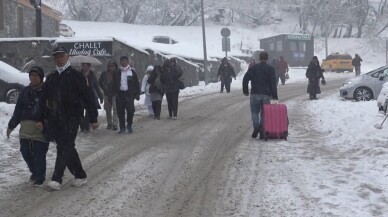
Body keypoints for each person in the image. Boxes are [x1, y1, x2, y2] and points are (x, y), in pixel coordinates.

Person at [41, 46, 99, 190]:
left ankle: (57, 179)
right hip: (56, 118)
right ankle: (80, 175)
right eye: (56, 57)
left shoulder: (76, 76)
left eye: (61, 56)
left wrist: (93, 118)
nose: (59, 59)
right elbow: (44, 99)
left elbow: (88, 98)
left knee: (64, 146)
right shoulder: (51, 77)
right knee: (67, 147)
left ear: (68, 57)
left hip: (72, 117)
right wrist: (41, 117)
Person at [7, 66, 49, 187]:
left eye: (36, 75)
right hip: (25, 127)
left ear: (41, 77)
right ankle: (35, 172)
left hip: (40, 127)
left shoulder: (47, 91)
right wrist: (11, 125)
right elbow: (18, 109)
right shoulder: (25, 91)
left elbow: (51, 109)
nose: (34, 78)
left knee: (39, 152)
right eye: (32, 75)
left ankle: (40, 177)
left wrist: (44, 121)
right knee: (25, 151)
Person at [243, 51, 278, 139]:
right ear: (267, 58)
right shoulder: (270, 69)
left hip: (254, 93)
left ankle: (256, 127)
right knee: (264, 113)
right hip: (266, 94)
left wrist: (246, 90)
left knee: (254, 112)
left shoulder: (253, 68)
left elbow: (245, 79)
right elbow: (273, 83)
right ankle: (262, 131)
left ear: (259, 58)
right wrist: (274, 95)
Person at [113, 56, 141, 134]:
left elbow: (136, 83)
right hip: (120, 94)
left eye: (125, 61)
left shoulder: (131, 71)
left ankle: (129, 125)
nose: (123, 62)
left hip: (129, 94)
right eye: (122, 61)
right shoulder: (118, 72)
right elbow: (114, 82)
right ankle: (122, 127)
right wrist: (115, 91)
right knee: (120, 111)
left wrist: (137, 93)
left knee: (130, 110)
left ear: (128, 62)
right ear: (120, 62)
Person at [80, 62, 103, 133]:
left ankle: (86, 126)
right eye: (83, 66)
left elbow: (96, 86)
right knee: (80, 112)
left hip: (90, 96)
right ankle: (82, 126)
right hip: (80, 96)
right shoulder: (78, 75)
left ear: (89, 67)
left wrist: (100, 95)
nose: (85, 67)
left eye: (87, 66)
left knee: (89, 112)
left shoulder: (92, 75)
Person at [98, 60, 119, 130]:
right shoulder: (104, 74)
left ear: (115, 66)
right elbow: (100, 82)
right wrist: (104, 88)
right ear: (108, 67)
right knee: (108, 110)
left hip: (115, 94)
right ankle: (109, 123)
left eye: (113, 66)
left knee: (116, 109)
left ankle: (115, 124)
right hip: (107, 94)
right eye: (110, 66)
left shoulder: (118, 73)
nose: (111, 68)